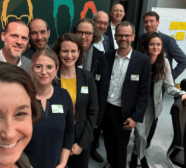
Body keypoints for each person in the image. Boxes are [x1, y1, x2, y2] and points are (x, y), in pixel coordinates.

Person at [130, 33, 186, 168]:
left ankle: (135, 156)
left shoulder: (164, 63)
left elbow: (169, 87)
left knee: (144, 136)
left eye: (158, 44)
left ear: (162, 46)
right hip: (137, 104)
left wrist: (183, 93)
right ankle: (142, 158)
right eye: (152, 44)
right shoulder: (138, 60)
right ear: (146, 46)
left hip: (152, 105)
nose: (155, 47)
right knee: (140, 135)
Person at [136, 11, 186, 149]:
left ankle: (145, 146)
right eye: (146, 21)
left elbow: (184, 61)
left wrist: (167, 77)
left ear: (158, 22)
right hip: (140, 86)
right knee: (138, 121)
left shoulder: (167, 40)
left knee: (152, 117)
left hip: (157, 87)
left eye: (151, 21)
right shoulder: (140, 38)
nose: (148, 24)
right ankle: (139, 145)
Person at [102, 21, 151, 168]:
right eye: (120, 35)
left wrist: (136, 117)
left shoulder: (143, 61)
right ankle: (110, 163)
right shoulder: (107, 57)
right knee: (108, 143)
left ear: (133, 37)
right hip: (105, 110)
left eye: (127, 35)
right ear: (115, 37)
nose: (123, 38)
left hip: (123, 113)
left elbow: (144, 93)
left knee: (120, 148)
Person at [52, 33, 98, 168]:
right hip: (56, 137)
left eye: (73, 51)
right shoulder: (51, 78)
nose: (69, 55)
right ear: (58, 52)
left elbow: (93, 112)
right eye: (65, 51)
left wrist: (82, 144)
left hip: (81, 136)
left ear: (79, 53)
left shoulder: (87, 77)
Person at [23, 49, 75, 168]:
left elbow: (70, 131)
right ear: (32, 69)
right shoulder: (23, 97)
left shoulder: (64, 95)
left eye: (49, 67)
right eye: (39, 66)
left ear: (56, 70)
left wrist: (62, 163)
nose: (44, 72)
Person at [71, 18, 110, 163]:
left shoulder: (101, 59)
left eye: (88, 33)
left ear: (94, 36)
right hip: (67, 114)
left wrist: (96, 121)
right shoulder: (65, 54)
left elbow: (103, 92)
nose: (83, 36)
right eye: (80, 32)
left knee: (81, 157)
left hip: (87, 117)